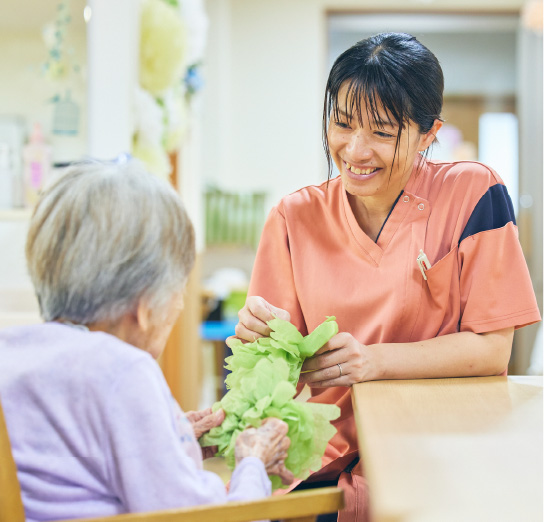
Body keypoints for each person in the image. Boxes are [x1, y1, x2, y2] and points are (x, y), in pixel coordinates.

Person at [229, 32, 541, 522]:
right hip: (322, 462)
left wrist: (371, 361)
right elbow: (275, 371)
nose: (355, 150)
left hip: (442, 445)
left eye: (381, 131)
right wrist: (256, 339)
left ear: (427, 133)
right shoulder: (294, 217)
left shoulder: (475, 193)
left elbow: (491, 347)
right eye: (342, 124)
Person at [0, 159, 293, 522]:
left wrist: (176, 439)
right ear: (143, 306)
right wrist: (253, 464)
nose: (181, 304)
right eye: (179, 290)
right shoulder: (123, 370)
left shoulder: (10, 351)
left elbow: (77, 467)